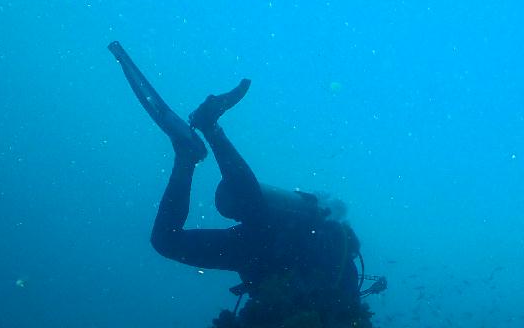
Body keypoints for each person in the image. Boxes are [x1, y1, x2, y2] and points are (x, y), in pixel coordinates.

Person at [108, 42, 362, 307]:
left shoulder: (333, 258)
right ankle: (209, 130)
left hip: (252, 250)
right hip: (269, 246)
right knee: (250, 213)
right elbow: (334, 309)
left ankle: (188, 155)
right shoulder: (341, 271)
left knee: (166, 241)